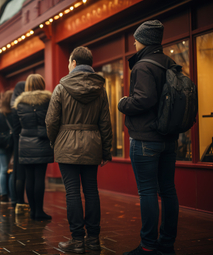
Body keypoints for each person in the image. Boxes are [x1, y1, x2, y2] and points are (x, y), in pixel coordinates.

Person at [118, 20, 178, 255]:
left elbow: (144, 99)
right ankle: (166, 244)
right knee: (168, 191)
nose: (133, 41)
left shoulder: (143, 66)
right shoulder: (169, 63)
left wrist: (123, 103)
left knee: (147, 192)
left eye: (136, 37)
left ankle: (148, 246)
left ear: (145, 39)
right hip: (168, 138)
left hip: (145, 139)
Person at [46, 46, 113, 253]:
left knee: (72, 193)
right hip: (93, 145)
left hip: (67, 145)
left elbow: (51, 121)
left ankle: (77, 241)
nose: (68, 65)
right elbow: (105, 123)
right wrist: (106, 149)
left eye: (68, 62)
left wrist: (54, 142)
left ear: (74, 63)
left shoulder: (60, 88)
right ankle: (93, 239)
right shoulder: (100, 89)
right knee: (91, 191)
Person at [13, 74, 54, 220]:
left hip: (25, 143)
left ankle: (32, 211)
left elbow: (16, 126)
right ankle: (39, 212)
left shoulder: (19, 103)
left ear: (28, 85)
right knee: (39, 178)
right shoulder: (48, 101)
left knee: (29, 178)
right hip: (42, 142)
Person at [0, 90, 14, 204]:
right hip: (12, 142)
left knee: (2, 168)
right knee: (11, 169)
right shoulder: (14, 112)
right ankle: (10, 194)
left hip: (0, 143)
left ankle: (2, 194)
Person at [10, 82, 29, 214]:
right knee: (24, 174)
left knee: (18, 173)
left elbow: (15, 129)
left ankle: (17, 201)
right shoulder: (25, 106)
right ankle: (20, 201)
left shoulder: (13, 106)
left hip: (17, 143)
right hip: (25, 142)